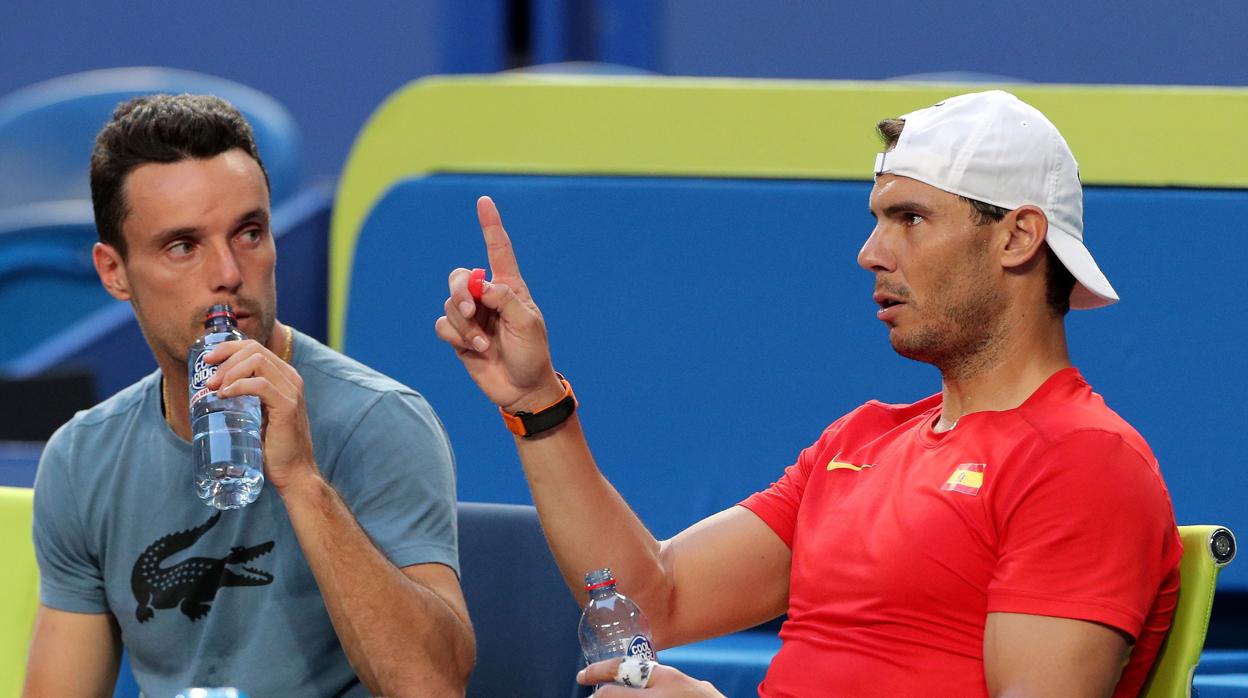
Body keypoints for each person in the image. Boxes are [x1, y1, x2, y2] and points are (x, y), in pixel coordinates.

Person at [435, 90, 1181, 697]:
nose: (870, 253)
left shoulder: (1085, 462)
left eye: (910, 219)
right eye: (877, 220)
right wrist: (537, 403)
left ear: (1017, 238)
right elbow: (653, 599)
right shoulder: (860, 442)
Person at [25, 94, 473, 698]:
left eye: (249, 233)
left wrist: (301, 481)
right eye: (183, 246)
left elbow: (433, 686)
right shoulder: (83, 459)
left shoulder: (378, 421)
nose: (229, 273)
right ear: (114, 272)